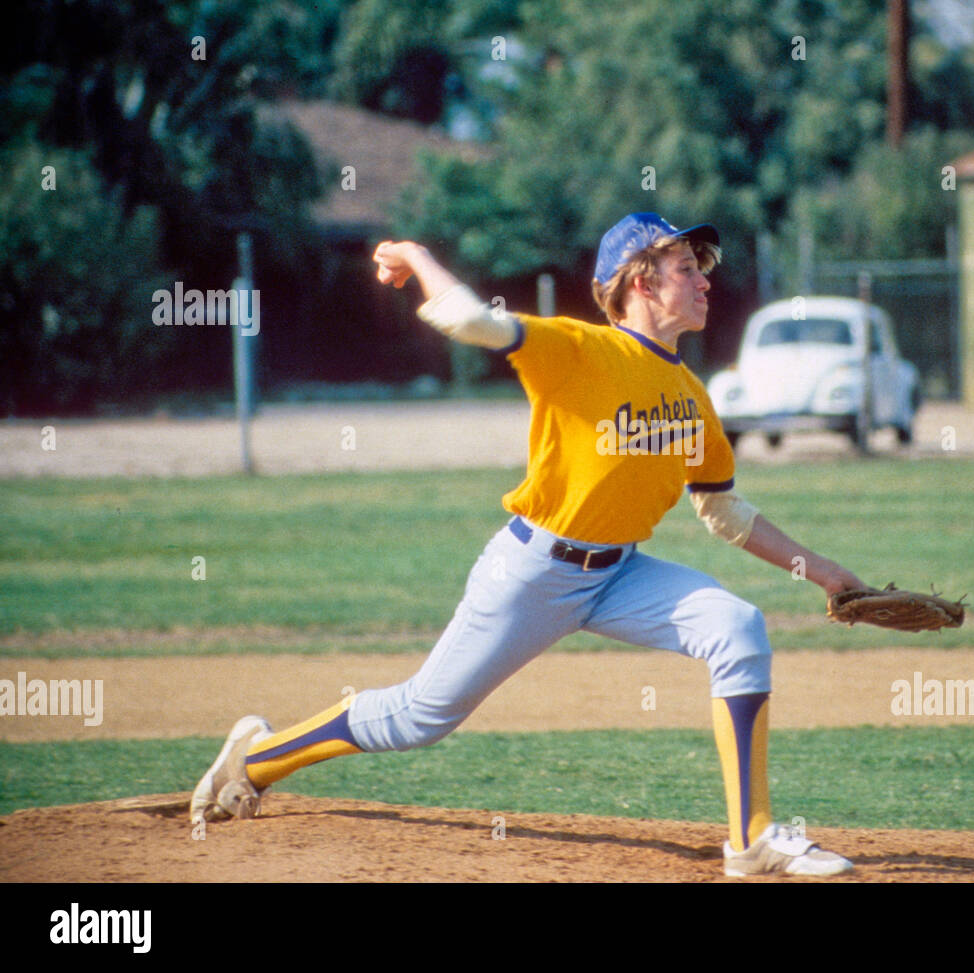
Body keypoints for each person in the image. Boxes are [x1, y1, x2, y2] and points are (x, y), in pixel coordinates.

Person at [190, 212, 865, 877]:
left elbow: (721, 509)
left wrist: (825, 572)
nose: (705, 281)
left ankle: (750, 840)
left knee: (737, 626)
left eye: (701, 268)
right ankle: (257, 757)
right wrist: (419, 257)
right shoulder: (579, 350)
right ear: (639, 281)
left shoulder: (692, 396)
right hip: (532, 572)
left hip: (620, 575)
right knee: (420, 717)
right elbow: (470, 322)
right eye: (685, 267)